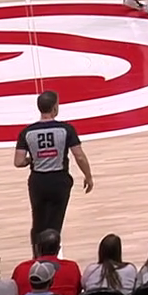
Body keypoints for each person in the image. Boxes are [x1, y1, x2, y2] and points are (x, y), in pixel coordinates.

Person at [16, 92, 93, 248]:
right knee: (55, 222)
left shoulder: (27, 132)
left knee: (38, 221)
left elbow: (18, 162)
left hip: (38, 181)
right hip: (59, 180)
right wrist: (88, 176)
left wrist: (33, 158)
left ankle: (37, 254)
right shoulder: (66, 129)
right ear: (55, 108)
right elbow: (79, 156)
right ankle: (52, 255)